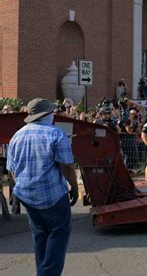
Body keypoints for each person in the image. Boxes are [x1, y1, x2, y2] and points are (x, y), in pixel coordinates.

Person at [6, 98, 78, 276]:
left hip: (26, 195)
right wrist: (74, 187)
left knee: (40, 234)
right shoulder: (56, 134)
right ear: (46, 115)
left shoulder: (17, 136)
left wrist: (24, 187)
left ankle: (42, 271)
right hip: (52, 194)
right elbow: (67, 166)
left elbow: (12, 170)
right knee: (58, 233)